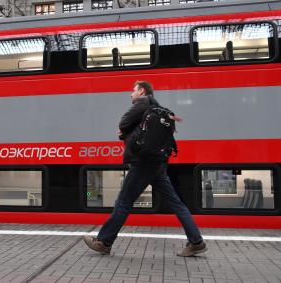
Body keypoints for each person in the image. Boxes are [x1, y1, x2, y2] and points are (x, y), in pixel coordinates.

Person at [83, 81, 207, 257]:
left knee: (123, 202)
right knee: (176, 203)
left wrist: (124, 133)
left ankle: (103, 242)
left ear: (141, 91)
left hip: (142, 162)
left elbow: (123, 123)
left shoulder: (142, 103)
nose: (130, 94)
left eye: (133, 90)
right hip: (158, 164)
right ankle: (196, 242)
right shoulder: (159, 108)